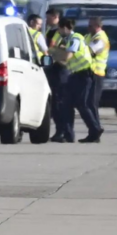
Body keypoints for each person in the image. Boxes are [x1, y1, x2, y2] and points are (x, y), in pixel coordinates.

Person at [52, 18, 102, 143]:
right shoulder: (67, 40)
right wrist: (57, 55)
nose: (58, 31)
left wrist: (55, 53)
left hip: (84, 74)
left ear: (65, 28)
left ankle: (95, 129)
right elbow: (63, 59)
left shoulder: (75, 38)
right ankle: (69, 134)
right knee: (66, 104)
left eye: (59, 28)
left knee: (82, 104)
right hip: (75, 75)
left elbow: (67, 56)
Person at [44, 9, 70, 142]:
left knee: (59, 103)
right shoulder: (51, 31)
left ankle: (62, 132)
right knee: (55, 103)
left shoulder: (60, 33)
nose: (46, 20)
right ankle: (62, 131)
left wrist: (50, 59)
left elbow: (61, 52)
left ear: (55, 17)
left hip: (60, 69)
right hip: (53, 69)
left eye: (48, 17)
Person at [86, 17, 109, 141]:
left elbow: (88, 51)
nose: (88, 28)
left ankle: (96, 130)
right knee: (89, 103)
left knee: (91, 103)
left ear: (97, 26)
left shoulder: (100, 39)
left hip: (97, 73)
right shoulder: (90, 36)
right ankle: (94, 132)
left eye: (90, 26)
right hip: (91, 73)